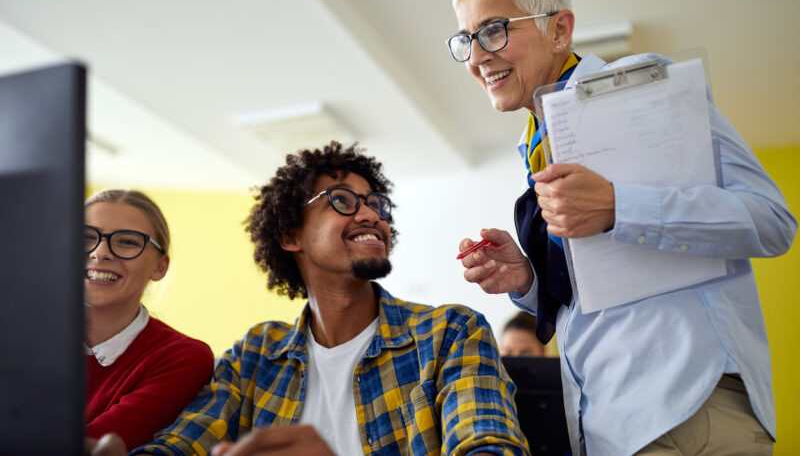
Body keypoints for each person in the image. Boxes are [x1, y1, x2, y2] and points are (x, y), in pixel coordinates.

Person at [448, 0, 797, 454]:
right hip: (606, 426)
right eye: (465, 39)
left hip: (690, 405)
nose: (476, 57)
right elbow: (594, 294)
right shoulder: (534, 144)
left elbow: (771, 221)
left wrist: (619, 206)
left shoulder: (646, 86)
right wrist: (526, 280)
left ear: (560, 29)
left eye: (494, 30)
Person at [87, 142, 527, 456]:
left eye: (376, 204)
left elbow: (488, 446)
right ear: (290, 235)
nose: (371, 213)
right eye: (342, 200)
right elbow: (180, 444)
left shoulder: (448, 333)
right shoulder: (255, 356)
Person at [84, 189, 215, 451]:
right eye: (85, 237)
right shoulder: (15, 335)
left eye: (127, 242)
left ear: (159, 267)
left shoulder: (184, 357)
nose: (100, 252)